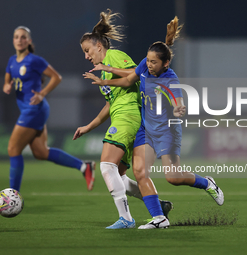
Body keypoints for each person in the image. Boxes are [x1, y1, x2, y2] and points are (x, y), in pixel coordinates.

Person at [83, 16, 224, 229]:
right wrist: (106, 78)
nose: (148, 65)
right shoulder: (146, 65)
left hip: (166, 130)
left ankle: (207, 183)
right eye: (147, 61)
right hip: (145, 129)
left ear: (165, 64)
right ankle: (159, 218)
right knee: (139, 172)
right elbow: (130, 78)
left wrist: (178, 106)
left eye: (153, 62)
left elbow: (177, 98)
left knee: (173, 177)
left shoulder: (171, 78)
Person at [74, 10, 173, 229]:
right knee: (119, 174)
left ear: (99, 46)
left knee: (107, 166)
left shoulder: (113, 57)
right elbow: (110, 105)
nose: (86, 56)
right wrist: (88, 127)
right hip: (122, 117)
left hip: (129, 116)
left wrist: (108, 71)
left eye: (87, 50)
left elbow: (133, 74)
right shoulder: (104, 72)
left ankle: (126, 218)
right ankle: (158, 205)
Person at [0, 26, 95, 203]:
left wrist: (42, 93)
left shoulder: (34, 60)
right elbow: (7, 80)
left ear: (29, 41)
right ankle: (84, 166)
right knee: (40, 152)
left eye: (23, 37)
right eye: (16, 37)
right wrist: (6, 86)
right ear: (13, 40)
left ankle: (11, 196)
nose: (19, 40)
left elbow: (56, 77)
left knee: (12, 148)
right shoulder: (12, 61)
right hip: (28, 110)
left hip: (35, 110)